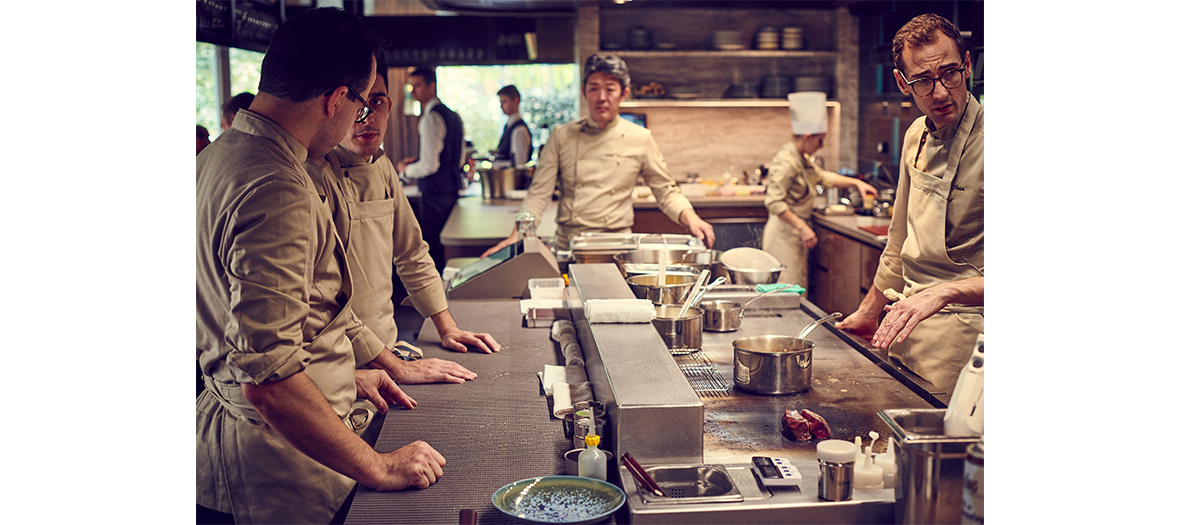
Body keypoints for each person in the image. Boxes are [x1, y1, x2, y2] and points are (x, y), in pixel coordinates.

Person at [197, 9, 448, 523]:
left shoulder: (220, 156)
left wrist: (344, 374)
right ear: (337, 99)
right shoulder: (279, 186)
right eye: (360, 102)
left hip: (240, 441)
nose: (361, 118)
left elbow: (250, 321)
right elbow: (267, 378)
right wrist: (378, 466)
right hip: (275, 468)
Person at [306, 53, 502, 356]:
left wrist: (446, 326)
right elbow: (318, 297)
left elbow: (412, 253)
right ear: (336, 105)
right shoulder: (313, 173)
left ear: (390, 106)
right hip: (337, 358)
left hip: (385, 343)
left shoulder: (382, 167)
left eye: (377, 102)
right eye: (357, 104)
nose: (367, 117)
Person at [835, 13, 983, 392]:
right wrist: (869, 311)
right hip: (905, 332)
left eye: (950, 73)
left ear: (967, 66)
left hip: (970, 346)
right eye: (922, 81)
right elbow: (898, 239)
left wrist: (948, 290)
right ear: (902, 83)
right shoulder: (914, 134)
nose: (940, 92)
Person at [481, 54, 715, 255]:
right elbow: (538, 194)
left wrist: (692, 218)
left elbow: (666, 191)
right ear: (584, 92)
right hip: (569, 247)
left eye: (610, 89)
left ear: (623, 94)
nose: (601, 97)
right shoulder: (562, 136)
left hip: (617, 248)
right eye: (594, 88)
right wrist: (517, 234)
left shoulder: (640, 138)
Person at [761, 91, 877, 290]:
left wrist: (856, 183)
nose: (821, 146)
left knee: (794, 287)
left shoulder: (800, 157)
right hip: (783, 234)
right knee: (787, 291)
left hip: (793, 232)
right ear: (807, 136)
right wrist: (802, 227)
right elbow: (774, 203)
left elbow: (822, 177)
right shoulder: (787, 161)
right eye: (820, 140)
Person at [396, 67, 465, 275]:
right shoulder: (453, 116)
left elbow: (429, 166)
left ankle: (437, 300)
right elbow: (457, 158)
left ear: (431, 86)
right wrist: (419, 160)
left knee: (433, 249)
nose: (413, 91)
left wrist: (405, 170)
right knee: (446, 249)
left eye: (417, 85)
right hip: (451, 191)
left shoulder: (430, 118)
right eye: (411, 86)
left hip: (435, 197)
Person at [495, 84, 532, 167]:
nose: (501, 106)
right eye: (500, 102)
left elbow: (519, 164)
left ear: (516, 101)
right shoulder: (509, 126)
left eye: (504, 101)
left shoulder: (519, 129)